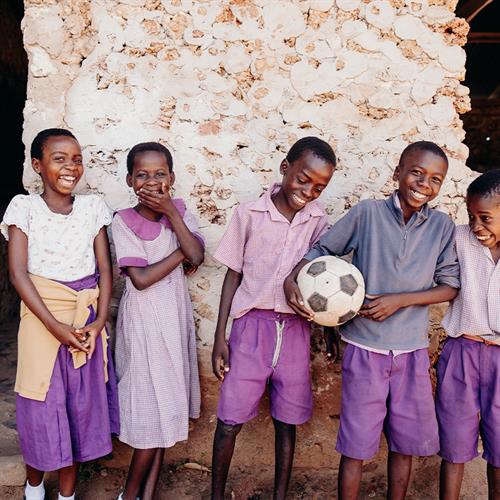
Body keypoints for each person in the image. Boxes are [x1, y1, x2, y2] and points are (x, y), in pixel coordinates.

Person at [284, 141, 460, 500]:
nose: (424, 183)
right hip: (364, 348)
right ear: (397, 173)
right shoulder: (366, 214)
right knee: (356, 444)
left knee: (405, 442)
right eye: (416, 172)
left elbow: (450, 287)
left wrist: (401, 301)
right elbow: (323, 250)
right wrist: (294, 275)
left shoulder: (442, 227)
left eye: (435, 179)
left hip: (411, 350)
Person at [211, 136, 336, 500]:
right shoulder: (248, 214)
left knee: (288, 418)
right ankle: (216, 494)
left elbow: (320, 274)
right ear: (285, 169)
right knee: (230, 418)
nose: (308, 191)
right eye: (302, 179)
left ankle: (280, 494)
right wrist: (221, 336)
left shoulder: (318, 222)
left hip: (296, 331)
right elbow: (232, 275)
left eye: (319, 187)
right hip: (251, 328)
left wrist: (328, 332)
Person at [0, 128, 119, 500]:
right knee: (40, 403)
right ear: (37, 165)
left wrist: (98, 323)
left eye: (77, 159)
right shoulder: (24, 208)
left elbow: (105, 269)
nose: (71, 166)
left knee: (78, 407)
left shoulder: (93, 208)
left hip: (85, 322)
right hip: (41, 319)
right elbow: (19, 273)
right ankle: (34, 487)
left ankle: (66, 494)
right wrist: (54, 327)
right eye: (59, 158)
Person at [112, 142, 204, 500]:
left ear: (172, 178)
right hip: (144, 323)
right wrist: (181, 250)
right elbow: (141, 279)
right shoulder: (123, 220)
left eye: (160, 174)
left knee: (166, 403)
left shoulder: (179, 211)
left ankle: (147, 494)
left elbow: (198, 255)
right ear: (130, 180)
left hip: (172, 316)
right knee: (150, 406)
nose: (152, 182)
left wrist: (172, 215)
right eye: (142, 175)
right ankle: (128, 493)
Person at [436, 169, 500, 500]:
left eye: (485, 217)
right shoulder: (460, 238)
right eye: (471, 215)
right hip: (461, 353)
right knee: (454, 440)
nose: (477, 225)